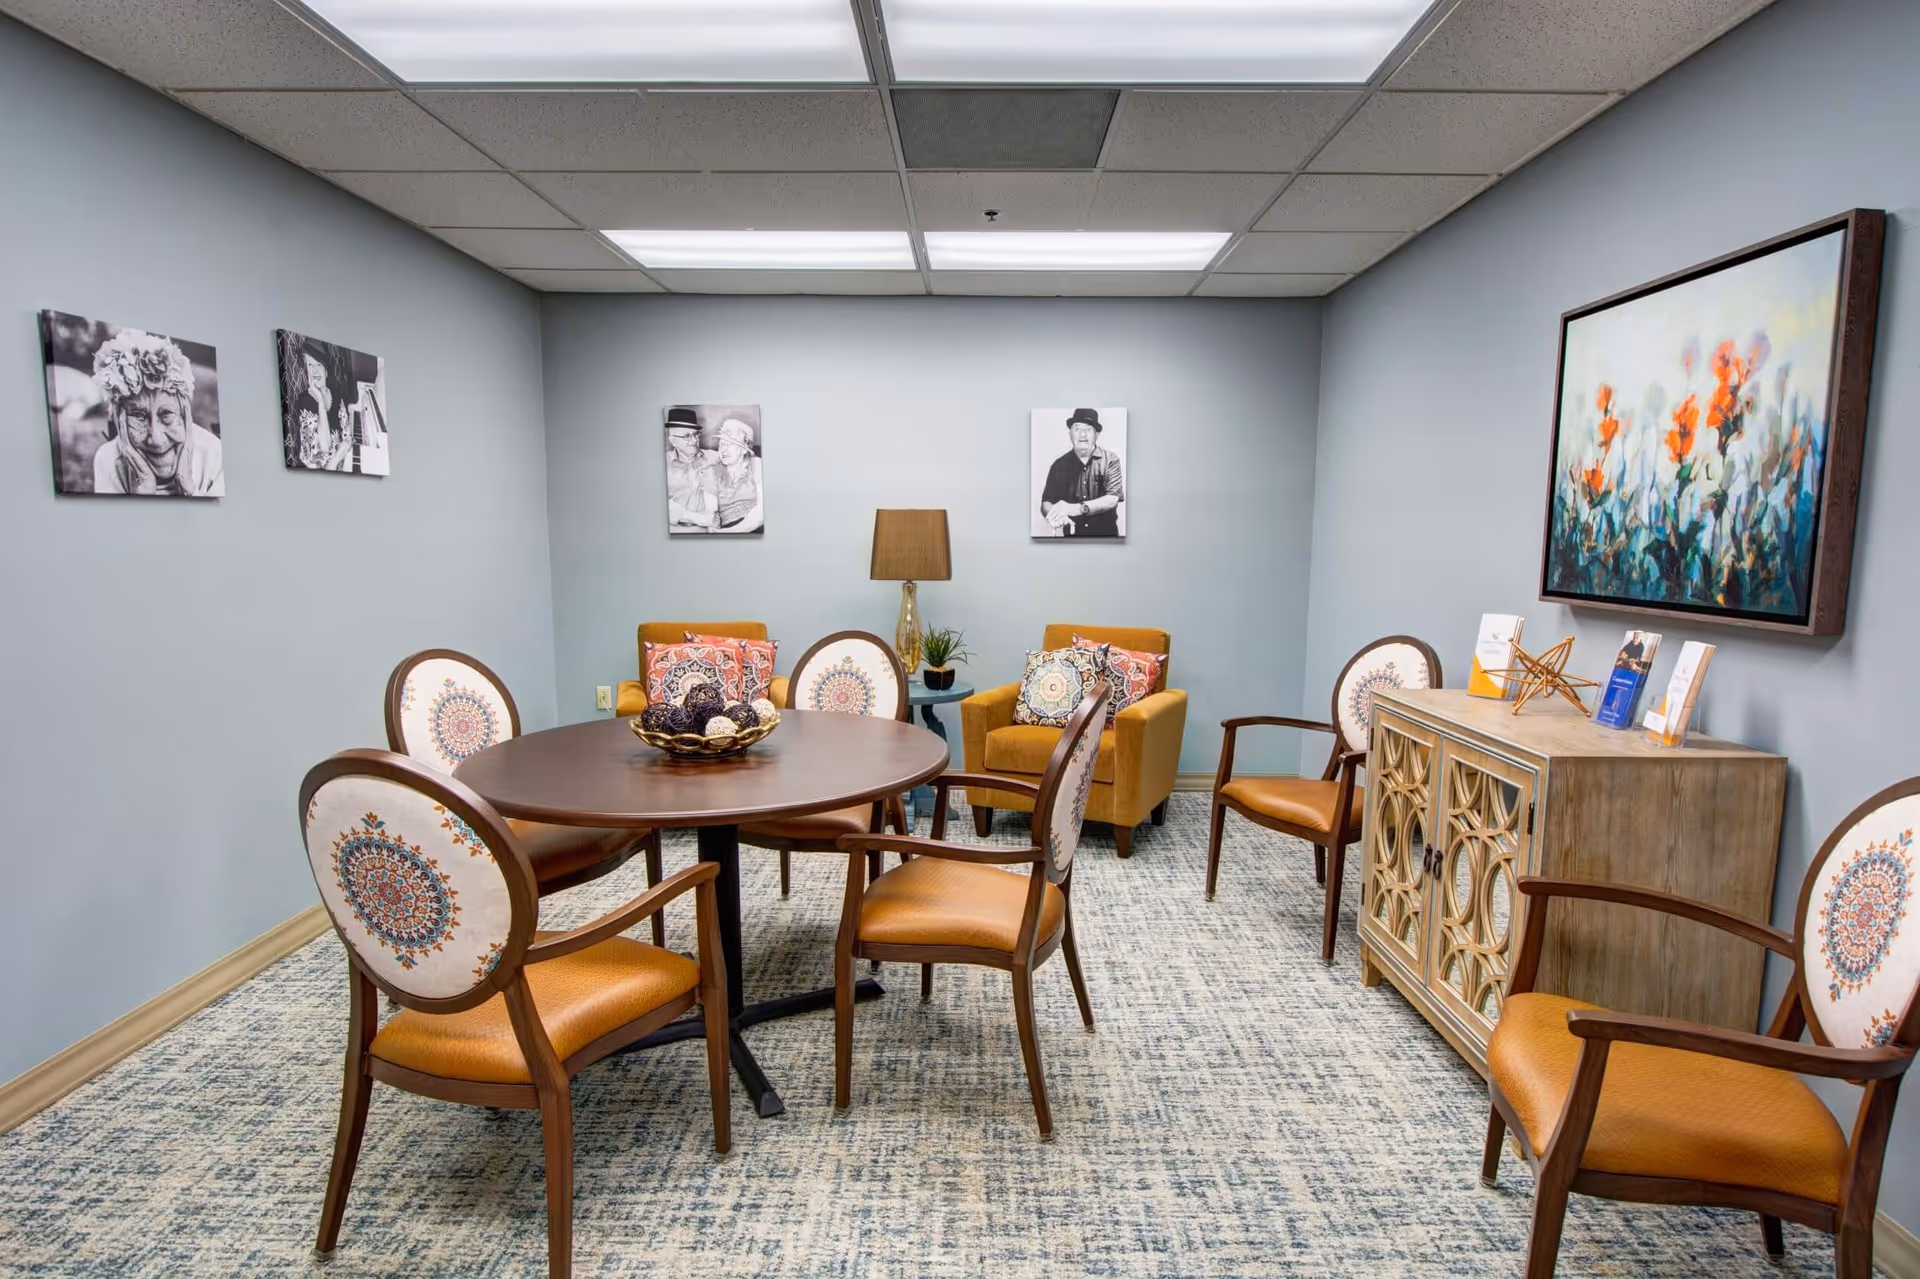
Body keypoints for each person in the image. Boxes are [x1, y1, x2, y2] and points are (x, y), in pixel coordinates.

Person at [89, 328, 223, 496]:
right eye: (139, 416)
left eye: (166, 414)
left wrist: (188, 487)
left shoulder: (213, 453)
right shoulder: (108, 458)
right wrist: (144, 489)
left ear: (185, 413)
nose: (156, 440)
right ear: (118, 418)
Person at [1039, 407, 1123, 537]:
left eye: (1088, 429)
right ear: (1070, 434)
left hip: (1107, 540)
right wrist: (1053, 515)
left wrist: (1075, 508)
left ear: (1097, 434)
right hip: (1072, 541)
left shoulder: (1111, 460)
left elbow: (1112, 499)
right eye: (1077, 429)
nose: (1082, 435)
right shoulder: (1058, 465)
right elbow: (1046, 503)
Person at [665, 406, 718, 530]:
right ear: (673, 441)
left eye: (696, 434)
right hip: (674, 530)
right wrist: (698, 518)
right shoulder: (663, 464)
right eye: (687, 436)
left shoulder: (714, 458)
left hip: (708, 531)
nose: (694, 440)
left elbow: (743, 458)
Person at [712, 417, 764, 533]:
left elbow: (762, 509)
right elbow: (711, 514)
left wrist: (728, 532)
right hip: (725, 532)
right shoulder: (714, 471)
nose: (723, 450)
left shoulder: (756, 464)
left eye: (730, 444)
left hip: (755, 528)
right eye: (722, 444)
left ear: (744, 450)